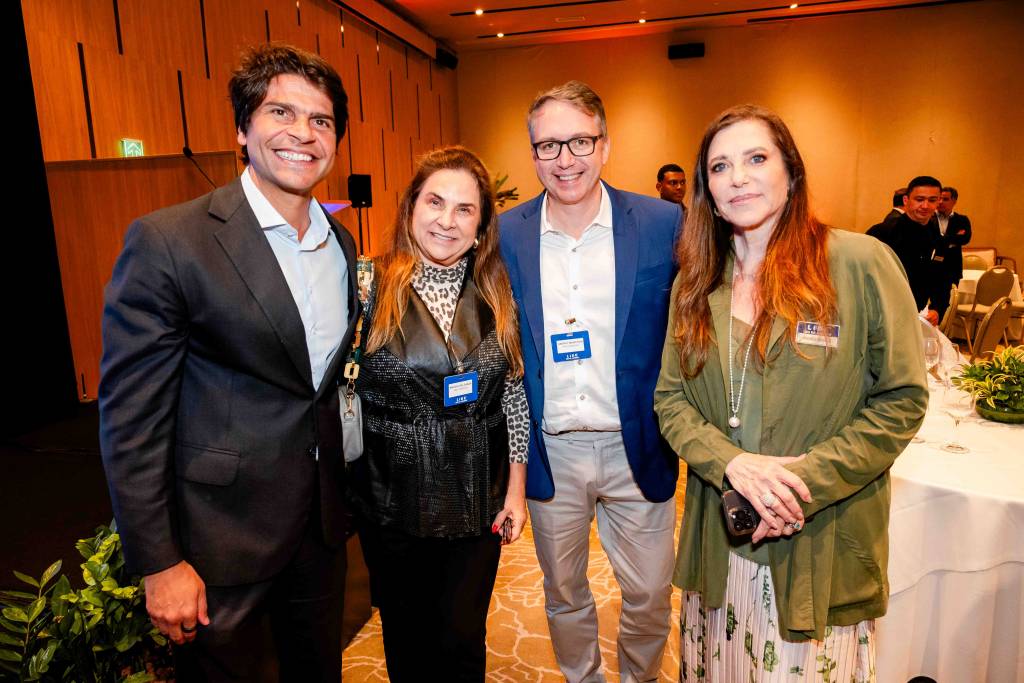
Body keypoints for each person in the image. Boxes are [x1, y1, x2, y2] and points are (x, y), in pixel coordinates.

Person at [99, 44, 357, 681]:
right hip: (218, 541)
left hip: (318, 533)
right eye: (281, 113)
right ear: (242, 130)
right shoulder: (169, 241)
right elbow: (132, 421)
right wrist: (159, 563)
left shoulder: (341, 244)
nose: (302, 133)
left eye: (321, 121)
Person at [654, 104, 928, 681]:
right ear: (706, 188)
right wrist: (733, 465)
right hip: (720, 538)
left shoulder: (858, 263)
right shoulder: (695, 280)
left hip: (818, 533)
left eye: (757, 158)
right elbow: (671, 401)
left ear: (791, 171)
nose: (739, 177)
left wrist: (800, 485)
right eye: (720, 166)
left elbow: (901, 400)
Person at [499, 81, 680, 683]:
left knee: (652, 593)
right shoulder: (506, 234)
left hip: (637, 444)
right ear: (533, 154)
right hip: (554, 449)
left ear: (605, 145)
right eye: (548, 145)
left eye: (579, 140)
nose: (565, 159)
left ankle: (638, 678)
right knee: (564, 591)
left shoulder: (661, 223)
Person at [351, 146, 528, 682]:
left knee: (463, 638)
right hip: (393, 502)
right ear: (410, 209)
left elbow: (513, 396)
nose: (446, 221)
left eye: (464, 209)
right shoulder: (366, 287)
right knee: (407, 641)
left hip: (478, 499)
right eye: (435, 202)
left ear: (481, 226)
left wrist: (516, 492)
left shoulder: (499, 290)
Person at [867, 176, 942, 321]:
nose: (925, 206)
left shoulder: (936, 235)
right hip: (882, 313)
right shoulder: (882, 232)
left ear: (938, 202)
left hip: (917, 313)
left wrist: (937, 308)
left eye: (932, 200)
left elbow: (941, 278)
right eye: (919, 199)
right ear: (906, 200)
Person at [931, 186, 972, 318]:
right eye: (939, 199)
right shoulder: (929, 217)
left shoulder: (962, 220)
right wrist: (952, 239)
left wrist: (942, 240)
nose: (941, 202)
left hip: (951, 267)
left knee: (945, 303)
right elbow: (928, 238)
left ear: (954, 201)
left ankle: (942, 334)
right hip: (930, 265)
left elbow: (965, 239)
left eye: (945, 199)